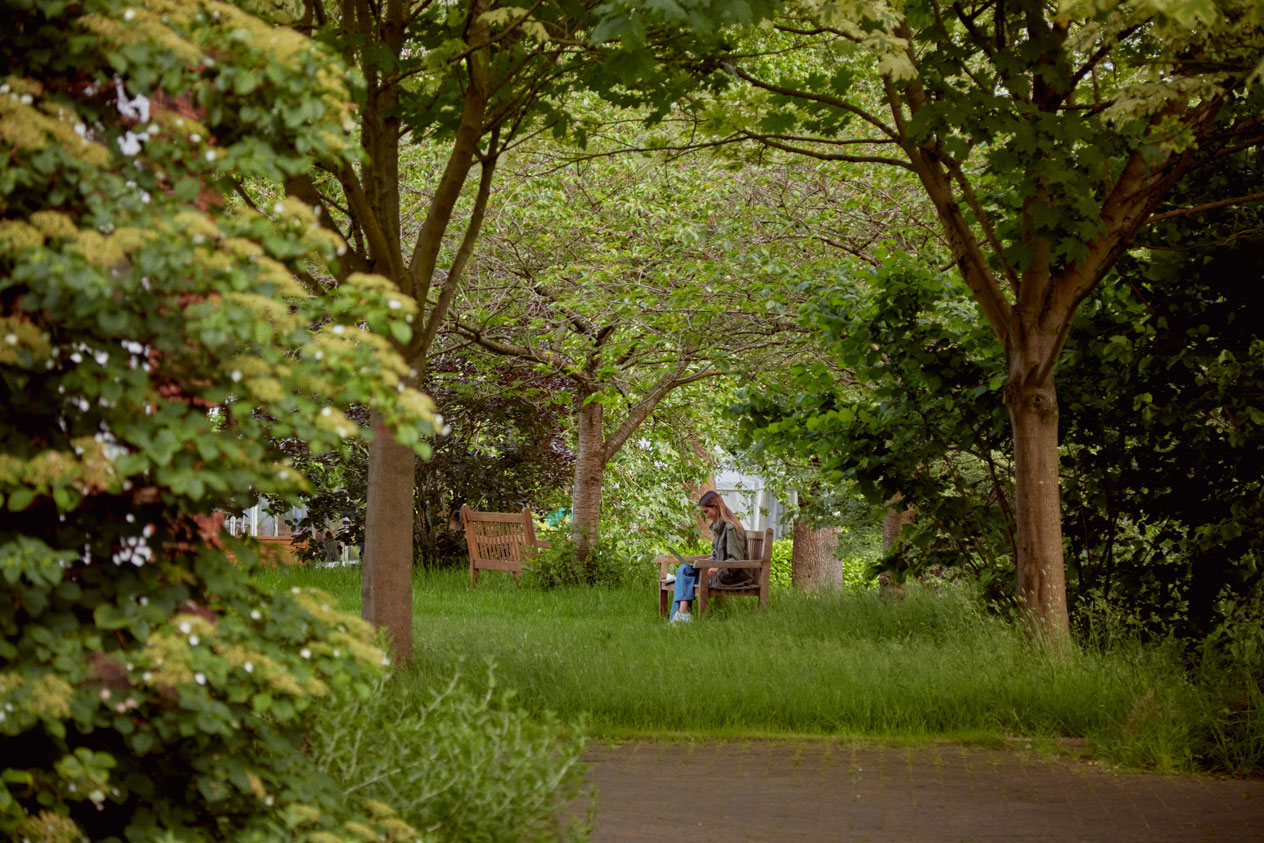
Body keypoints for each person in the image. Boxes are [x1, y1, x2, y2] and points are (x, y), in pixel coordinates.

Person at [668, 490, 750, 623]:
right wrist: (711, 560)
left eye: (706, 511)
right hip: (720, 571)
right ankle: (682, 615)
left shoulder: (731, 528)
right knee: (683, 570)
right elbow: (721, 555)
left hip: (731, 576)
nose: (705, 516)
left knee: (682, 579)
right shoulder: (718, 527)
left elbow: (737, 559)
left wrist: (717, 567)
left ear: (716, 507)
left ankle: (680, 618)